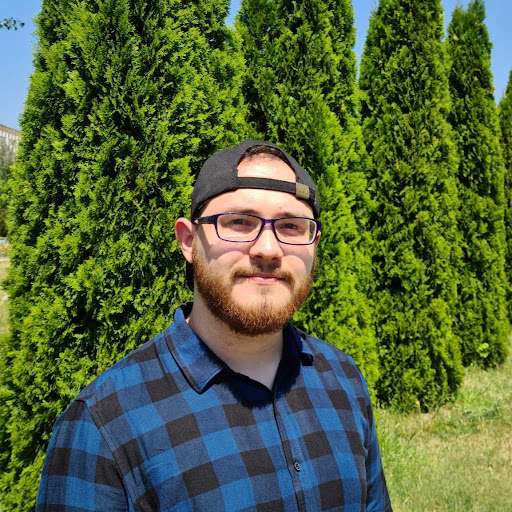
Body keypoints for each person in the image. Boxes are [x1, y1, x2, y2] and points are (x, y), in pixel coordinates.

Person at [37, 140, 392, 511]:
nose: (268, 249)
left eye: (291, 226)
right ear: (189, 241)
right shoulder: (103, 425)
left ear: (314, 244)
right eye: (239, 222)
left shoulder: (344, 379)